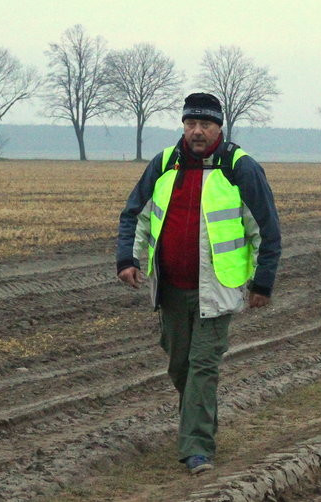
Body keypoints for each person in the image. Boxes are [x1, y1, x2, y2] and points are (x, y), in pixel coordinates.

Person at [116, 92, 281, 474]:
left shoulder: (240, 168)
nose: (197, 131)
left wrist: (263, 282)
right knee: (180, 368)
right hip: (169, 288)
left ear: (219, 127)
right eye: (191, 124)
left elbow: (267, 231)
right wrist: (128, 258)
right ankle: (201, 425)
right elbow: (134, 215)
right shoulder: (164, 163)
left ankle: (196, 449)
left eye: (205, 124)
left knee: (202, 366)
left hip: (217, 290)